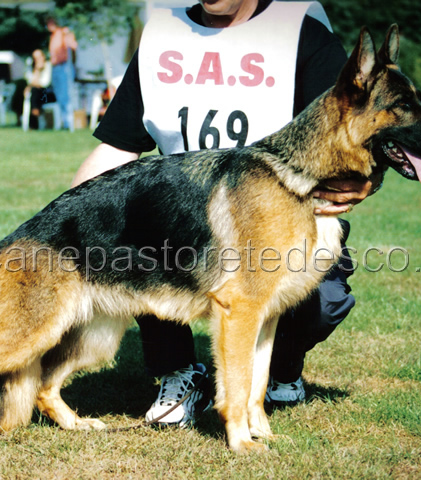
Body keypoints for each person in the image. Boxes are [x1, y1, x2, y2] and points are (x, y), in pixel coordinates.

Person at [71, 0, 378, 427]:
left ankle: (280, 371)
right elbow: (119, 144)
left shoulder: (301, 31)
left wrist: (366, 183)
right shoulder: (162, 35)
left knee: (322, 300)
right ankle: (179, 373)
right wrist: (62, 225)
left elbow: (350, 123)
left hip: (278, 218)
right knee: (141, 239)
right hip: (185, 218)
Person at [46, 16, 78, 130]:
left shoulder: (63, 33)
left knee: (66, 95)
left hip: (64, 66)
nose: (49, 25)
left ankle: (69, 123)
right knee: (59, 95)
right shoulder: (53, 36)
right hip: (55, 67)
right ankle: (63, 121)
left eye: (51, 22)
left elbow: (73, 47)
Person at [24, 49, 53, 130]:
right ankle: (35, 111)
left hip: (47, 94)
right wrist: (37, 70)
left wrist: (30, 85)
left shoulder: (48, 66)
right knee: (34, 92)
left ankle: (34, 120)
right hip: (36, 94)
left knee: (34, 91)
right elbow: (30, 81)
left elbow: (44, 83)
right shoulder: (31, 68)